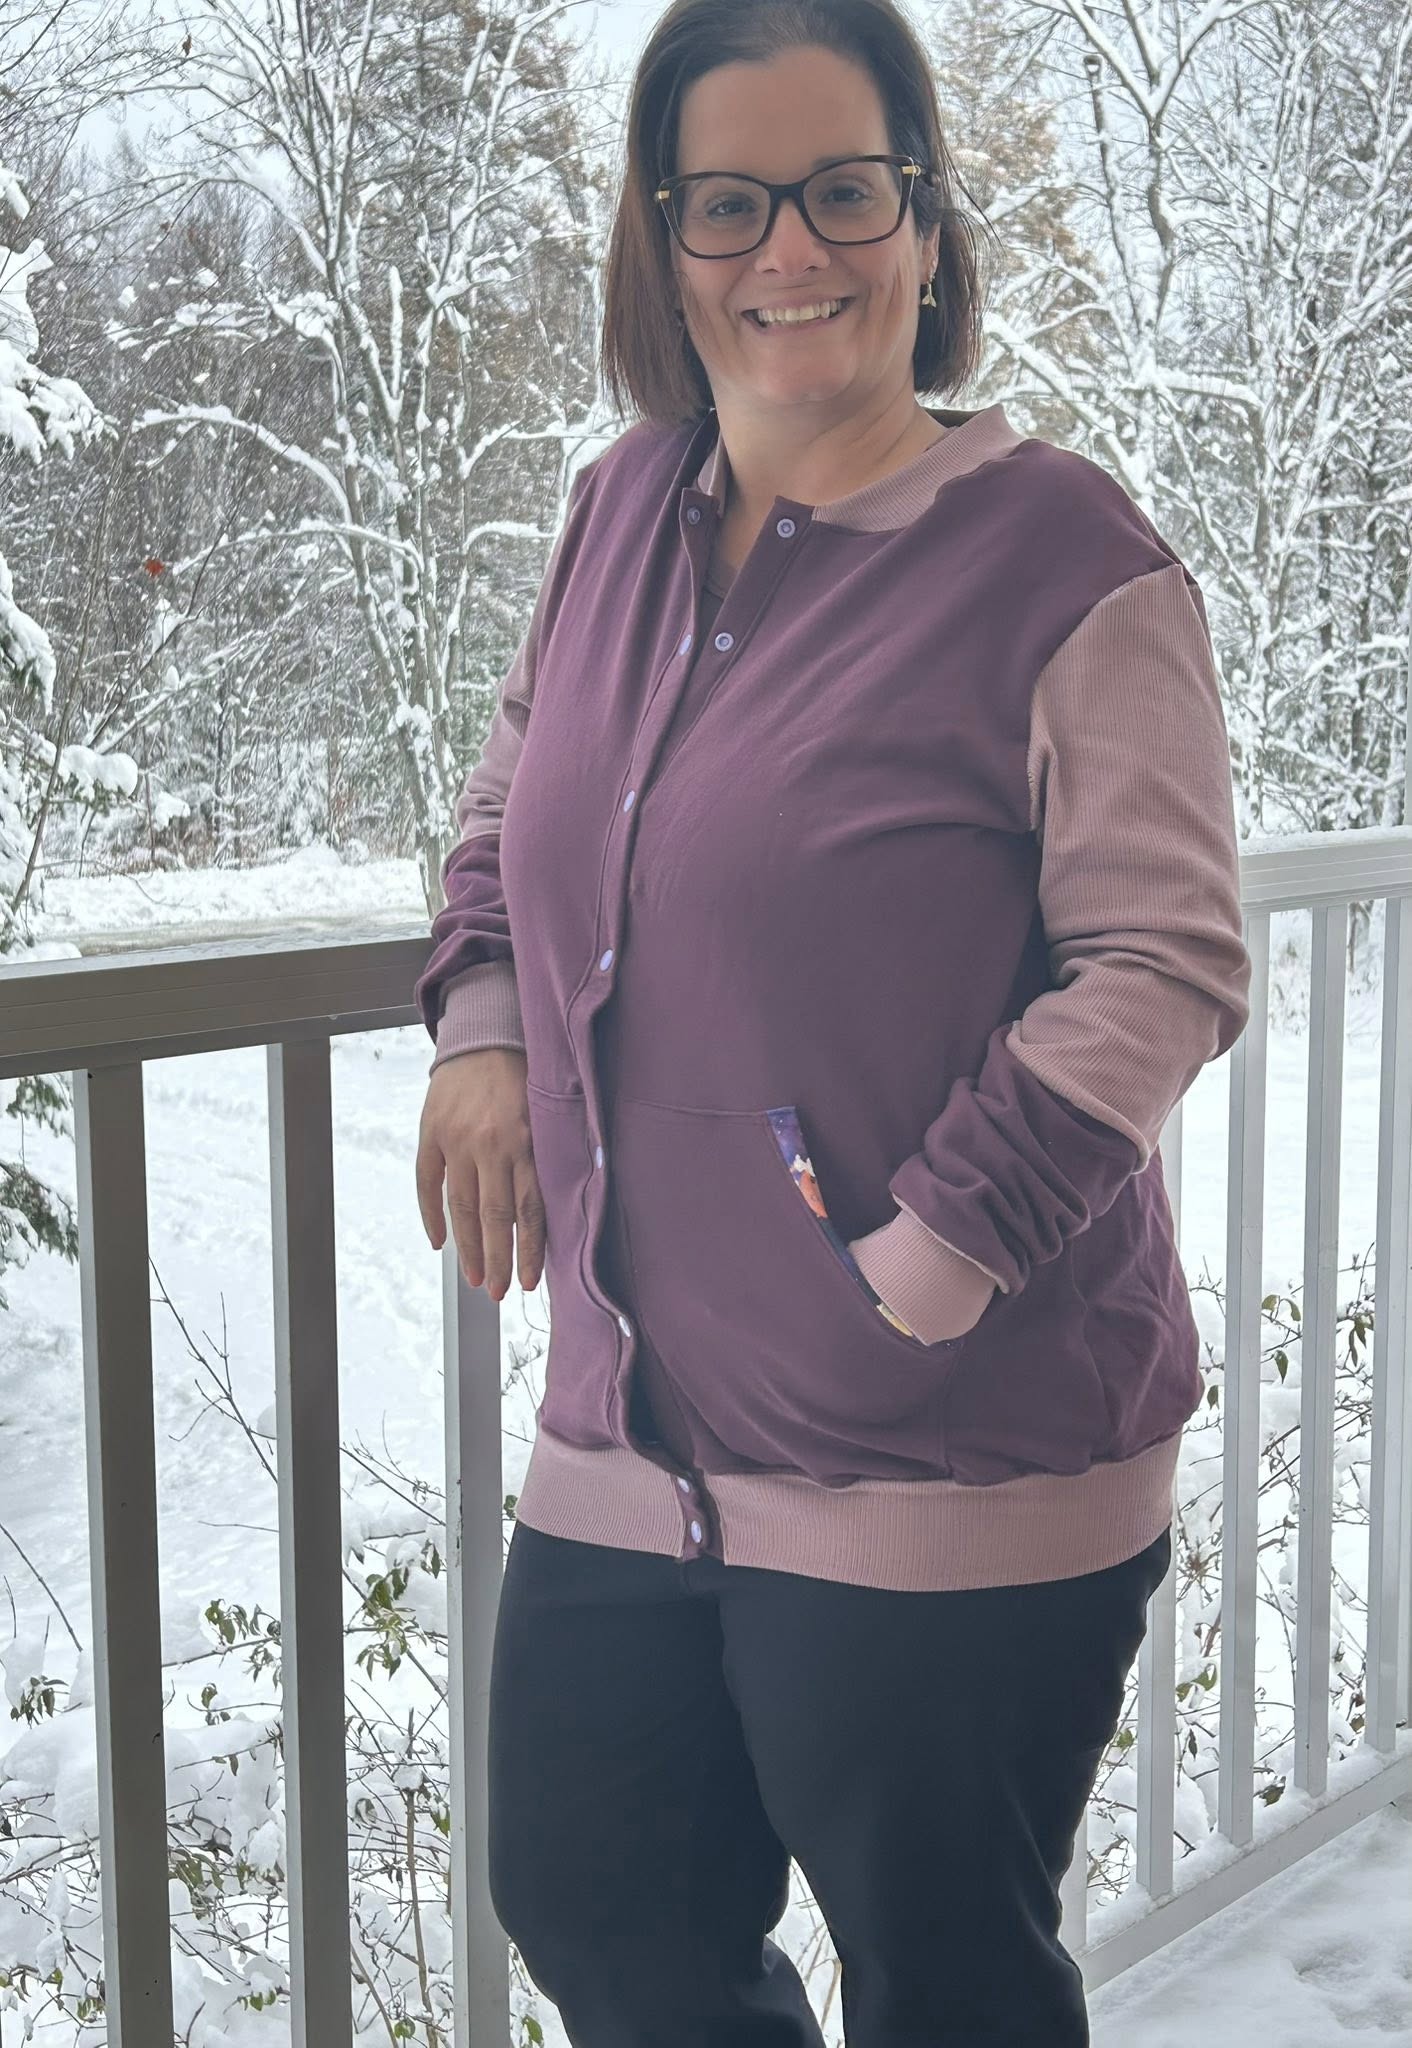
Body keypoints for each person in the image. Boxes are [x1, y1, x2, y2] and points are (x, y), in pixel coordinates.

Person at [413, 1, 1252, 2039]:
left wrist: (922, 1266)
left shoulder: (1063, 557)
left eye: (845, 190)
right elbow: (505, 816)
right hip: (632, 1432)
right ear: (660, 239)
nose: (790, 250)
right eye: (728, 203)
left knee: (946, 1986)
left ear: (925, 221)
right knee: (594, 1901)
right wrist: (483, 1026)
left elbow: (1161, 957)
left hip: (946, 1456)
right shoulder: (616, 515)